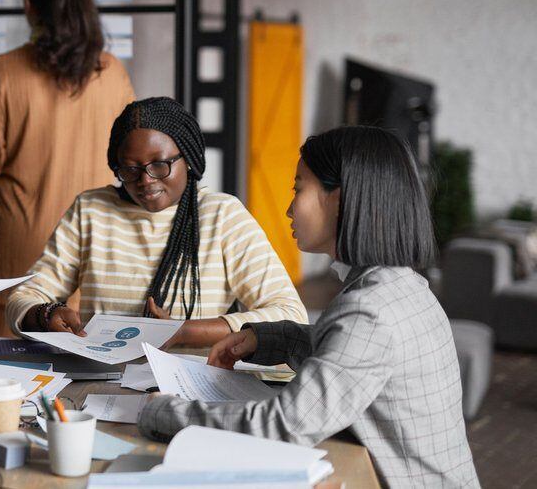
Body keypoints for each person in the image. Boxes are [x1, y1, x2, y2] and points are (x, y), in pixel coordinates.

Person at [138, 126, 479, 487]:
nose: (288, 208)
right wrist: (266, 339)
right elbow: (344, 356)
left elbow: (282, 426)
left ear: (340, 199)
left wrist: (161, 411)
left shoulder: (370, 311)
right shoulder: (402, 286)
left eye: (298, 189)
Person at [6, 96, 307, 345]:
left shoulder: (223, 216)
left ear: (187, 158)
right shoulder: (91, 209)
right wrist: (45, 314)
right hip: (102, 378)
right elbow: (25, 296)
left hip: (193, 381)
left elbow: (290, 315)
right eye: (130, 169)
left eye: (160, 165)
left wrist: (184, 331)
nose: (146, 180)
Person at [0, 0, 135, 337]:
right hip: (88, 254)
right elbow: (130, 159)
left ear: (28, 7)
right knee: (83, 383)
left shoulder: (4, 71)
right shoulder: (112, 71)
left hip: (15, 259)